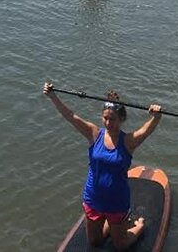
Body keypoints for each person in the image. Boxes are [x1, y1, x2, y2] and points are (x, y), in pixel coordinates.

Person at [43, 83, 161, 251]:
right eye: (105, 118)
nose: (107, 122)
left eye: (112, 119)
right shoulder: (94, 133)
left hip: (116, 201)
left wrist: (156, 117)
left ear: (121, 119)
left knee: (120, 246)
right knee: (95, 242)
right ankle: (112, 225)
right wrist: (53, 97)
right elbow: (71, 116)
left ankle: (138, 225)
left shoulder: (128, 141)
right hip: (93, 198)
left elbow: (145, 131)